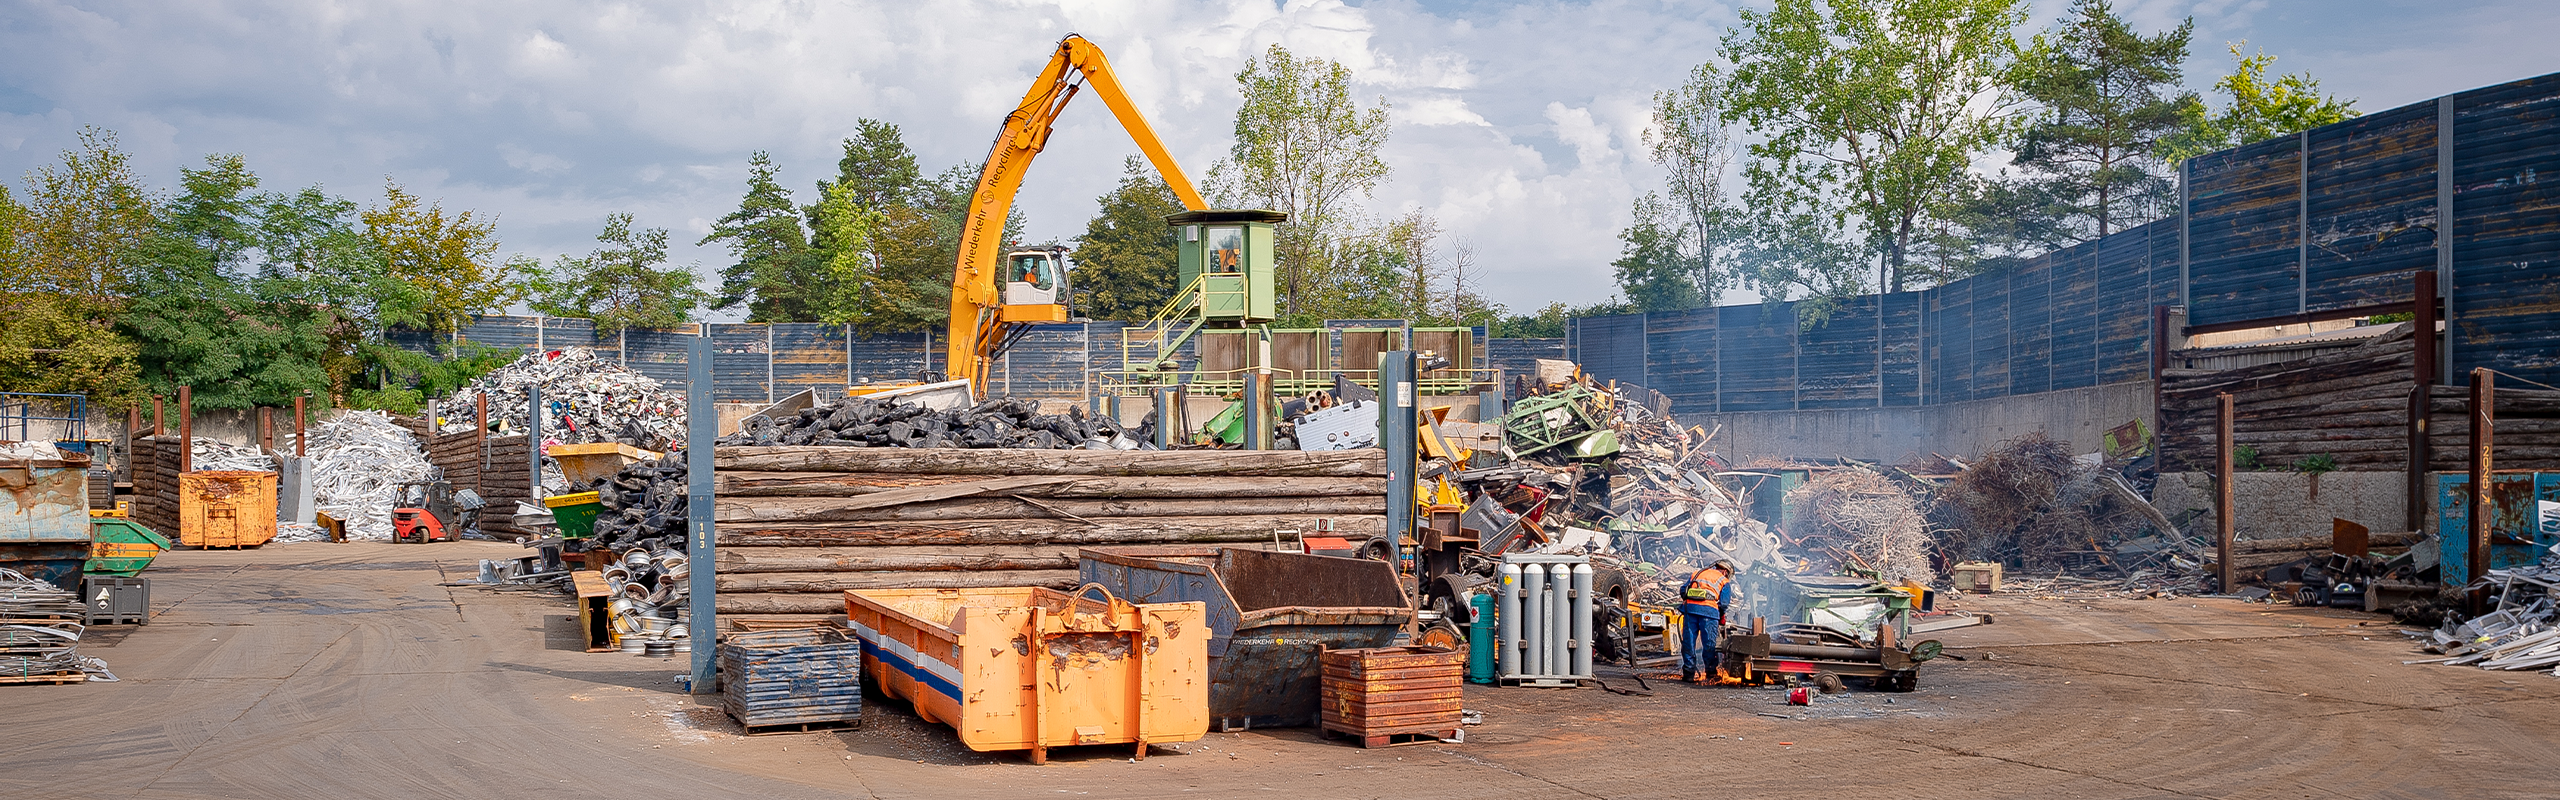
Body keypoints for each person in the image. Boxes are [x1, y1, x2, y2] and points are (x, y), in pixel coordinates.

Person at [1680, 559, 1736, 683]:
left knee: (1688, 642)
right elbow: (1724, 603)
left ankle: (1688, 673)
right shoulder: (1724, 580)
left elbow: (1683, 590)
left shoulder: (1697, 573)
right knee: (1709, 644)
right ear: (1726, 571)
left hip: (1690, 610)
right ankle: (1711, 673)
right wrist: (1721, 616)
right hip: (1709, 613)